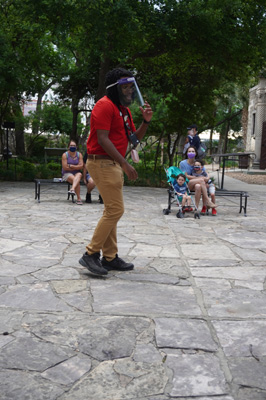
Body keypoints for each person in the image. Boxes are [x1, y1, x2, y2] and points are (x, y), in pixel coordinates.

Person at [79, 67, 153, 276]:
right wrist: (125, 164)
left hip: (112, 164)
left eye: (131, 87)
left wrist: (145, 122)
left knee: (111, 209)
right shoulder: (104, 106)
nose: (130, 91)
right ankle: (90, 253)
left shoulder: (124, 110)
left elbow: (133, 139)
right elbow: (103, 138)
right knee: (115, 210)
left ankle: (110, 257)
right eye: (125, 87)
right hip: (101, 162)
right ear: (115, 88)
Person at [179, 146, 217, 211]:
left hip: (196, 184)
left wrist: (207, 178)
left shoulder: (198, 163)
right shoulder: (183, 163)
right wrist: (197, 177)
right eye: (189, 151)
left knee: (198, 186)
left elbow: (205, 172)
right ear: (187, 153)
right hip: (187, 183)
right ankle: (208, 201)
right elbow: (184, 176)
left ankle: (196, 208)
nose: (191, 153)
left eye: (193, 151)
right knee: (201, 180)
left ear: (196, 153)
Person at [62, 140, 83, 205]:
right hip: (66, 173)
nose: (72, 147)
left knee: (79, 174)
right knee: (76, 180)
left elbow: (81, 166)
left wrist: (71, 166)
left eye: (74, 146)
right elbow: (65, 167)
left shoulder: (79, 155)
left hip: (76, 173)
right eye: (71, 145)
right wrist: (76, 166)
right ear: (68, 147)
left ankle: (72, 189)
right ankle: (79, 198)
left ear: (76, 147)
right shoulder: (65, 155)